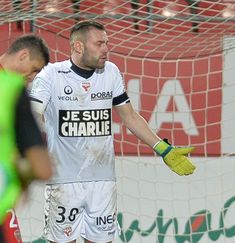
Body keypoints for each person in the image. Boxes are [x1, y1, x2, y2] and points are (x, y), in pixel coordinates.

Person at [29, 20, 196, 243]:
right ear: (78, 47)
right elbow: (32, 114)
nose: (106, 49)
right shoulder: (51, 75)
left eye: (107, 43)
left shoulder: (111, 72)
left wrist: (163, 148)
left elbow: (130, 116)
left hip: (103, 181)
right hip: (64, 182)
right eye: (99, 44)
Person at [0, 34, 52, 242]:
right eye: (34, 69)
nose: (32, 77)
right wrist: (24, 176)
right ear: (23, 55)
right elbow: (42, 168)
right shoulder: (12, 89)